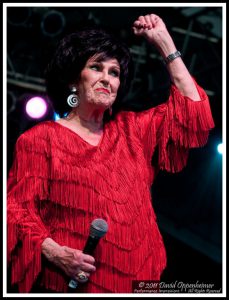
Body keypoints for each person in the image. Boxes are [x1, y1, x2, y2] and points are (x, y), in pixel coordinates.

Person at [7, 13, 215, 293]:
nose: (107, 79)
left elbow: (193, 113)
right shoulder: (40, 139)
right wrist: (56, 252)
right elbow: (17, 212)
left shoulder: (133, 130)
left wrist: (165, 44)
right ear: (73, 79)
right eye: (96, 67)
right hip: (74, 284)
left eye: (114, 72)